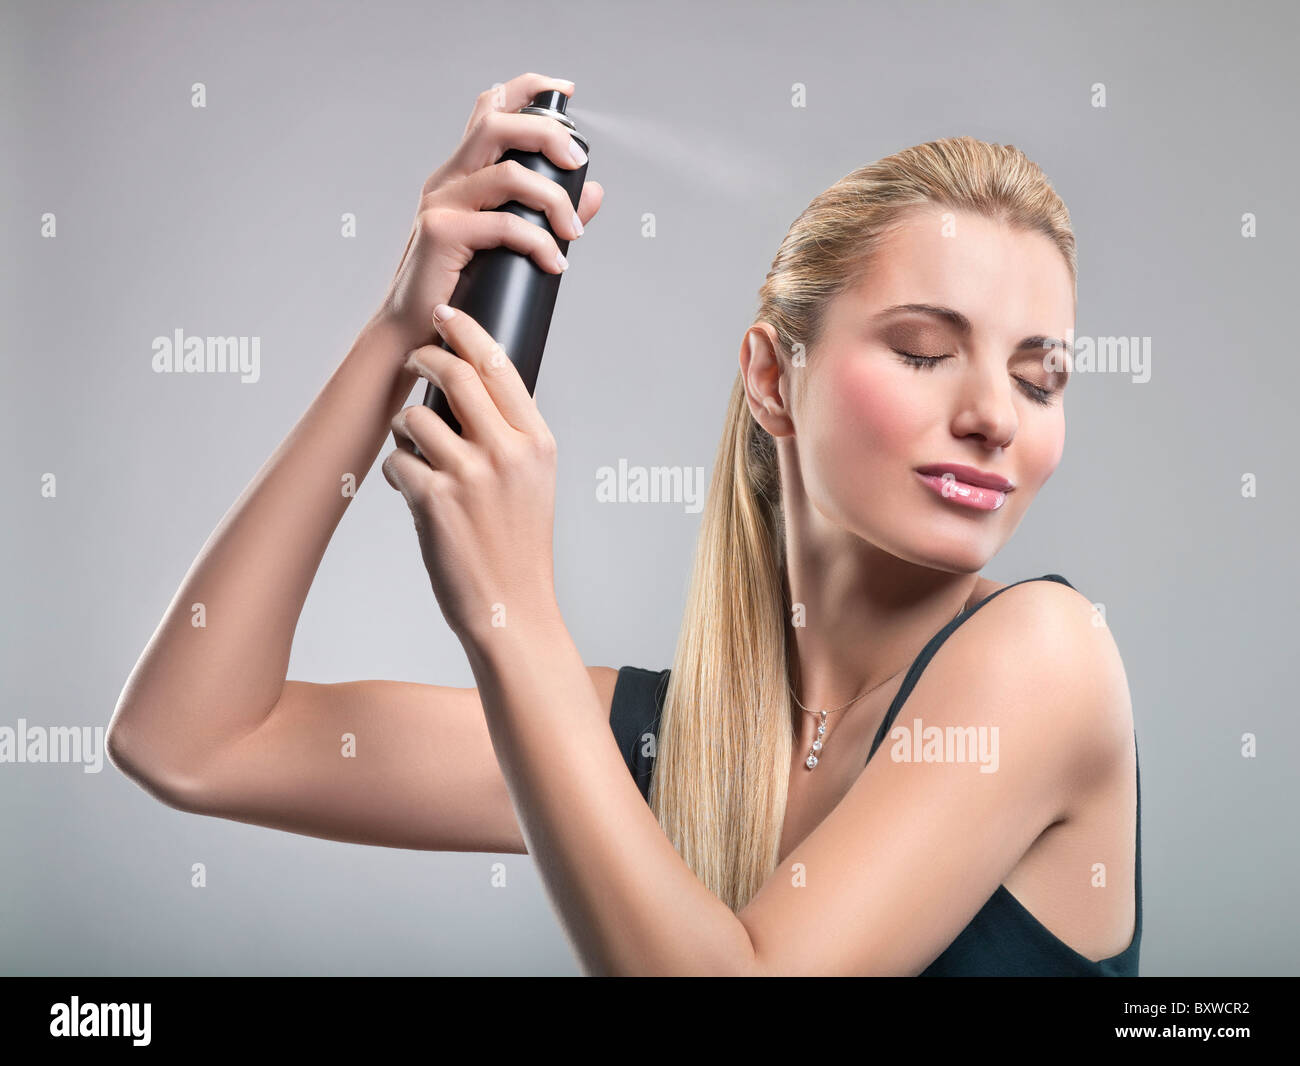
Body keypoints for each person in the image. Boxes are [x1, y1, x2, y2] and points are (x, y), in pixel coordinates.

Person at [108, 70, 1139, 977]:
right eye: (923, 350)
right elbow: (191, 739)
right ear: (774, 379)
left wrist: (512, 609)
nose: (995, 417)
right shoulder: (668, 747)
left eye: (1038, 378)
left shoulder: (1045, 657)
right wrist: (400, 332)